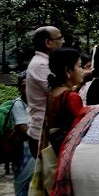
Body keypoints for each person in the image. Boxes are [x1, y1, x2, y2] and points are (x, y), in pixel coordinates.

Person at [26, 26, 65, 156]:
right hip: (42, 132)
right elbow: (58, 92)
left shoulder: (47, 63)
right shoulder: (40, 65)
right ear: (48, 42)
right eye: (60, 38)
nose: (63, 41)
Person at [10, 73, 37, 196]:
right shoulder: (18, 104)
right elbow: (22, 127)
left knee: (35, 183)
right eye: (23, 85)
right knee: (22, 182)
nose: (26, 88)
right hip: (24, 148)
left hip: (35, 144)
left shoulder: (39, 102)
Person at [46, 48, 85, 154]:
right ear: (68, 71)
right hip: (67, 151)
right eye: (80, 66)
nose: (82, 70)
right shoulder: (71, 97)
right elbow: (80, 129)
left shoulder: (51, 93)